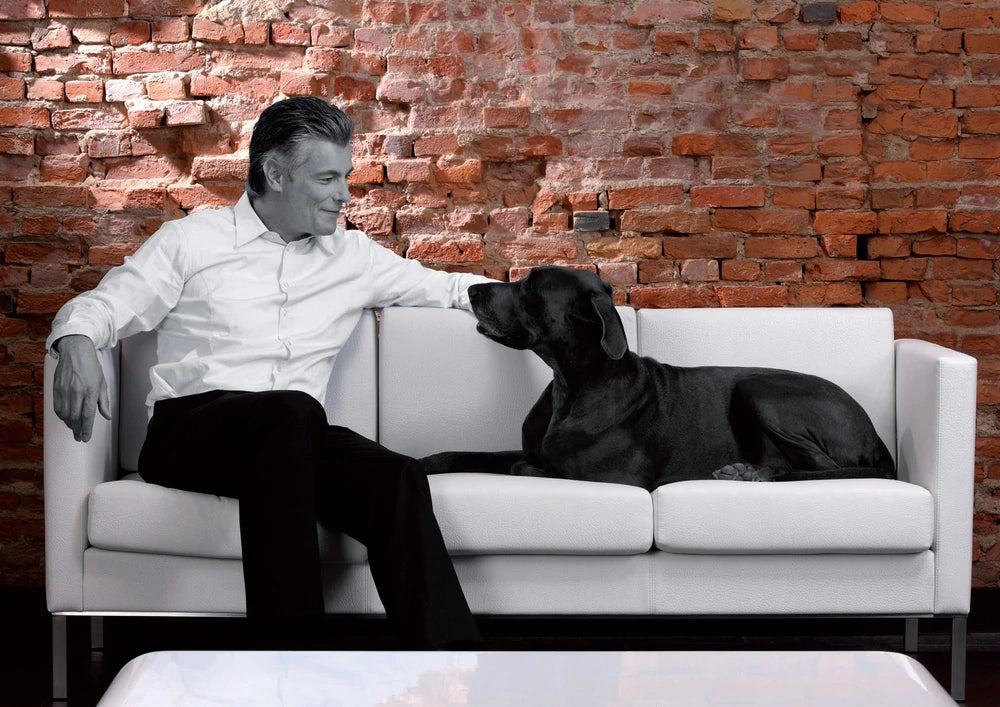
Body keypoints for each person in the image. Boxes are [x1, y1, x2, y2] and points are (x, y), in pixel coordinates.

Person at [47, 96, 489, 649]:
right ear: (276, 174)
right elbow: (105, 305)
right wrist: (76, 341)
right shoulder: (191, 241)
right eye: (327, 178)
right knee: (292, 414)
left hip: (294, 435)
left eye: (346, 176)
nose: (345, 194)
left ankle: (453, 668)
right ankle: (290, 658)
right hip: (190, 432)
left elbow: (450, 288)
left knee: (394, 478)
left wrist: (551, 297)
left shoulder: (353, 256)